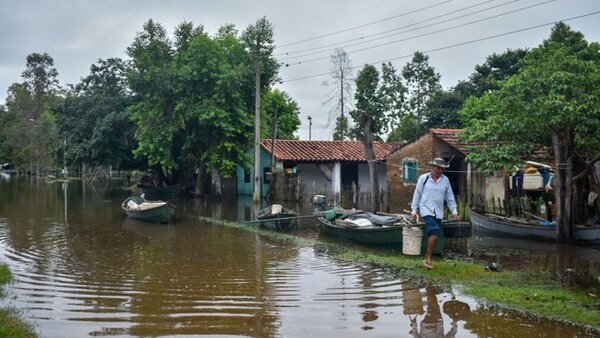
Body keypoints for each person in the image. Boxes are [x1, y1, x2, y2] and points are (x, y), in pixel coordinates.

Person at [410, 158, 460, 269]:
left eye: (442, 169)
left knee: (433, 233)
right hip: (426, 209)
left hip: (438, 212)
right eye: (437, 168)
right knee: (435, 231)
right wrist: (414, 211)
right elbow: (417, 194)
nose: (439, 170)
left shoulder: (445, 180)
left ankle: (428, 255)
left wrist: (454, 212)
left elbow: (450, 197)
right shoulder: (424, 178)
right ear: (432, 167)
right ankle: (427, 258)